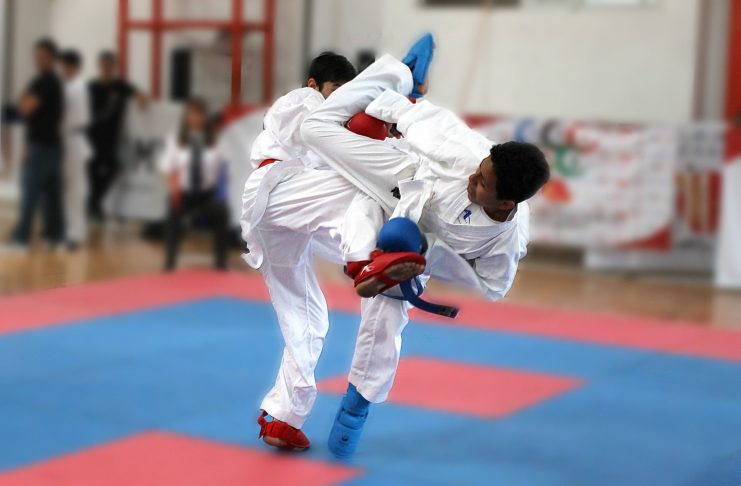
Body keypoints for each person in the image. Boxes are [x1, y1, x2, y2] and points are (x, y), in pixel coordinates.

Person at [243, 36, 550, 456]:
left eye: (482, 183)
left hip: (361, 214)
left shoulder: (505, 239)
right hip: (302, 188)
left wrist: (429, 254)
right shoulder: (302, 100)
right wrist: (395, 101)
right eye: (340, 89)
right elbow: (406, 119)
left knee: (315, 316)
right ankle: (366, 259)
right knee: (349, 170)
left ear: (506, 204)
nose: (472, 178)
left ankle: (295, 415)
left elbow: (494, 285)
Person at [249, 51, 357, 171]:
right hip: (279, 169)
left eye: (347, 92)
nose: (342, 97)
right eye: (336, 90)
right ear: (313, 85)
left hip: (280, 169)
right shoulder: (309, 97)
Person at [8, 38, 65, 250]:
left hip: (42, 146)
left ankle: (21, 237)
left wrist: (23, 99)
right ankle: (54, 235)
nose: (39, 60)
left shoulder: (44, 82)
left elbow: (24, 109)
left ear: (53, 59)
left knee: (30, 192)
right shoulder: (51, 81)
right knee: (51, 194)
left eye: (44, 57)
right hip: (50, 145)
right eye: (37, 56)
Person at [160, 97, 229, 271]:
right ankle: (169, 261)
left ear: (205, 117)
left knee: (222, 211)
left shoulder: (216, 141)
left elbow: (224, 170)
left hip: (208, 194)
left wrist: (221, 193)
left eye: (199, 114)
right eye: (191, 114)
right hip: (185, 193)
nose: (195, 118)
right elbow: (166, 169)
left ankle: (221, 263)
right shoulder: (176, 140)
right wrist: (173, 190)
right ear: (186, 117)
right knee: (172, 208)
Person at [86, 51, 147, 220]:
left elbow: (140, 95)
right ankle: (95, 205)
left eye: (110, 65)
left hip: (110, 138)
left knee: (112, 168)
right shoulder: (90, 87)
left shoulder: (121, 86)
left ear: (114, 66)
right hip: (91, 136)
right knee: (91, 172)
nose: (106, 68)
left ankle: (94, 202)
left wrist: (142, 100)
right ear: (99, 66)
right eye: (103, 65)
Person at [59, 49, 92, 249]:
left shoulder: (75, 88)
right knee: (71, 189)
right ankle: (69, 230)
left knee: (74, 190)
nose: (64, 70)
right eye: (63, 66)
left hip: (72, 139)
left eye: (68, 66)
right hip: (69, 139)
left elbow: (67, 118)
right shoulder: (70, 86)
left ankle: (74, 233)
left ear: (76, 67)